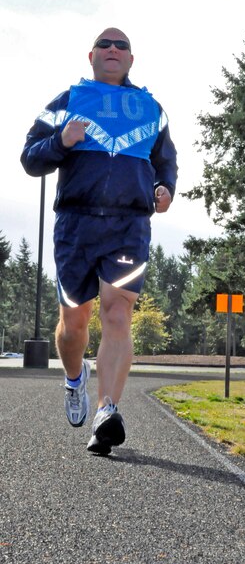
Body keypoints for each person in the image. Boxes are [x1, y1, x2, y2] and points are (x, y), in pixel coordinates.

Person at [21, 27, 177, 455]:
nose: (113, 49)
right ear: (91, 56)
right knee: (73, 327)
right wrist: (61, 141)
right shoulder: (68, 101)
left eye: (121, 45)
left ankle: (107, 411)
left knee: (117, 314)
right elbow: (30, 158)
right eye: (105, 44)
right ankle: (75, 380)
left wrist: (164, 189)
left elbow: (166, 163)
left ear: (131, 58)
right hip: (76, 225)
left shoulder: (151, 109)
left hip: (129, 225)